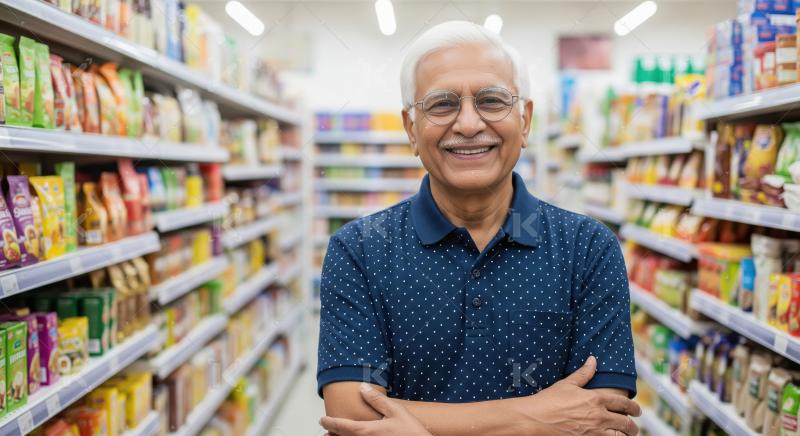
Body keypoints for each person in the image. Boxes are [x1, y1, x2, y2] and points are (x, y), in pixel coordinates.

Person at [317, 20, 640, 436]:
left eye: (491, 101)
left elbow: (605, 419)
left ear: (524, 120)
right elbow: (351, 414)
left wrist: (417, 427)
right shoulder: (358, 250)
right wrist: (535, 417)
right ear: (410, 129)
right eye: (441, 105)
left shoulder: (588, 248)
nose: (468, 124)